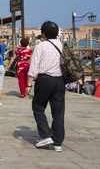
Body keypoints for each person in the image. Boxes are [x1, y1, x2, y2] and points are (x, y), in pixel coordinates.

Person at [26, 21, 65, 152]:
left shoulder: (41, 46)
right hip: (59, 81)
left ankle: (46, 135)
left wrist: (29, 84)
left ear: (43, 33)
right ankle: (58, 142)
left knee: (38, 107)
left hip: (44, 80)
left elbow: (34, 66)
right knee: (58, 112)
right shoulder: (61, 45)